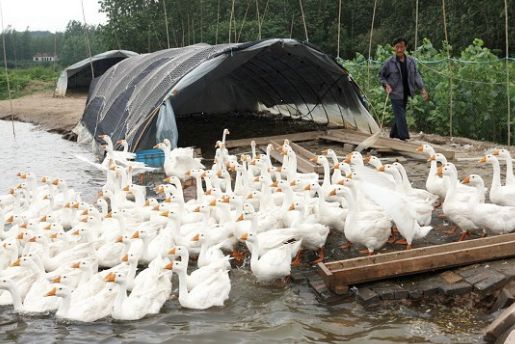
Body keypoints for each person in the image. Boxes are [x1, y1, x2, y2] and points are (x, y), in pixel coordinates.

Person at [379, 38, 429, 141]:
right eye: (397, 47)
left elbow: (416, 76)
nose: (399, 50)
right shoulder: (389, 62)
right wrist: (386, 85)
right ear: (394, 48)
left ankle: (393, 134)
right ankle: (404, 136)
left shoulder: (411, 61)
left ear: (405, 48)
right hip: (395, 93)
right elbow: (381, 76)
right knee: (400, 114)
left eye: (401, 47)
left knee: (400, 115)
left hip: (406, 92)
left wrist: (422, 89)